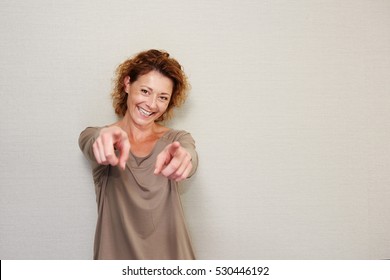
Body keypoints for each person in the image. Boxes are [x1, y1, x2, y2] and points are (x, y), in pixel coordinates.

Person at [78, 49, 198, 260]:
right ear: (127, 84)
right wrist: (102, 138)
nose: (152, 104)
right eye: (145, 91)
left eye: (162, 97)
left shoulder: (176, 139)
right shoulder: (101, 136)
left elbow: (190, 155)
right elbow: (91, 141)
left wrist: (185, 158)